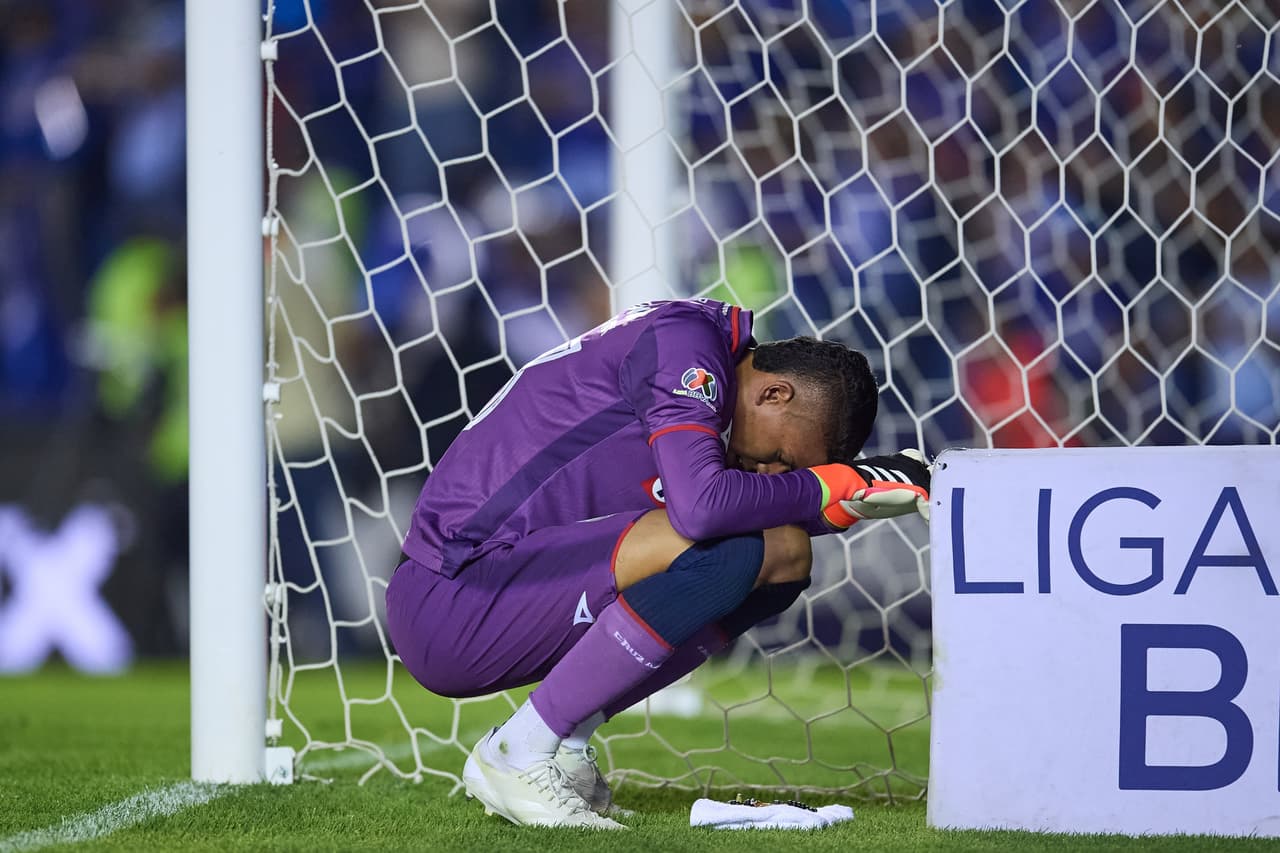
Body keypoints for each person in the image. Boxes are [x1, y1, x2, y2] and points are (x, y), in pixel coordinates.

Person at [385, 298, 930, 828]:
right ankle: (517, 752)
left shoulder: (702, 370)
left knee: (784, 554)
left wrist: (850, 499)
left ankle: (566, 742)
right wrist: (835, 485)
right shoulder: (684, 345)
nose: (770, 474)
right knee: (735, 547)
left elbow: (745, 511)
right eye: (782, 459)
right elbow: (701, 510)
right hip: (452, 594)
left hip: (507, 585)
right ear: (774, 393)